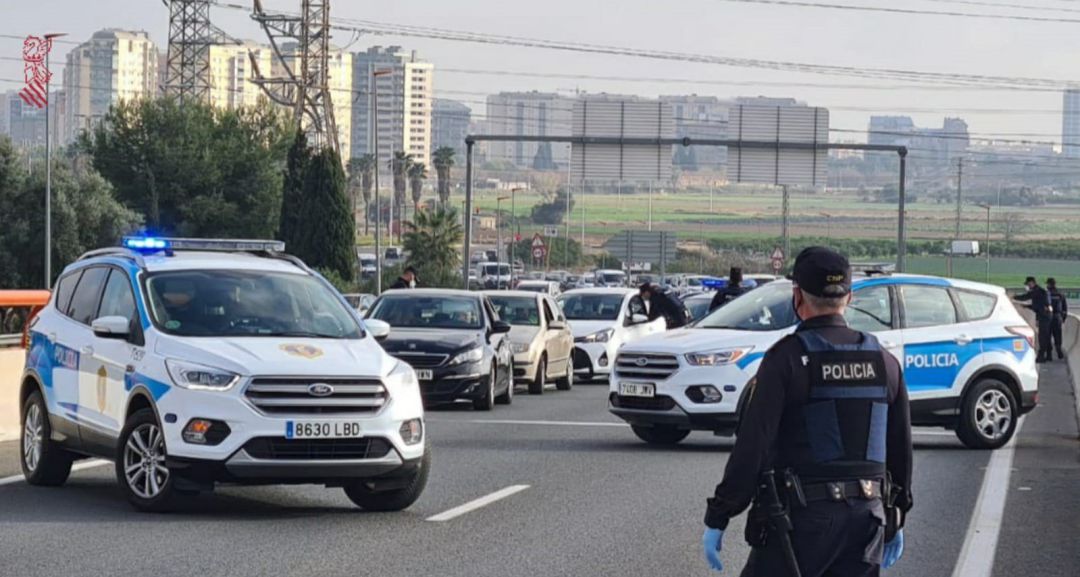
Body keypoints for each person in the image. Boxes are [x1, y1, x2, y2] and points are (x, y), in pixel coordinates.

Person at [701, 246, 913, 577]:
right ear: (849, 296)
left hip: (801, 521)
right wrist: (897, 514)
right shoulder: (883, 362)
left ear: (797, 296)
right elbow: (899, 449)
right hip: (867, 518)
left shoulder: (786, 358)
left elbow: (753, 447)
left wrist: (720, 514)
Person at [1015, 276, 1053, 363]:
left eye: (1028, 284)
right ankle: (1048, 355)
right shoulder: (1039, 291)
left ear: (1032, 283)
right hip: (1044, 315)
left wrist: (1014, 297)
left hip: (1044, 316)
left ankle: (1041, 356)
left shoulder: (1036, 291)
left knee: (1042, 336)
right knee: (1046, 335)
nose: (1028, 286)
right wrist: (1026, 306)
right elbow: (1037, 305)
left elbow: (1026, 297)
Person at [1047, 278, 1068, 361]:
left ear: (1049, 284)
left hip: (1048, 317)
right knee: (1058, 335)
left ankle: (1049, 355)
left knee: (1047, 336)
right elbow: (1065, 308)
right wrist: (1063, 319)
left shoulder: (1046, 294)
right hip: (1057, 317)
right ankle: (1059, 351)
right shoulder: (1060, 294)